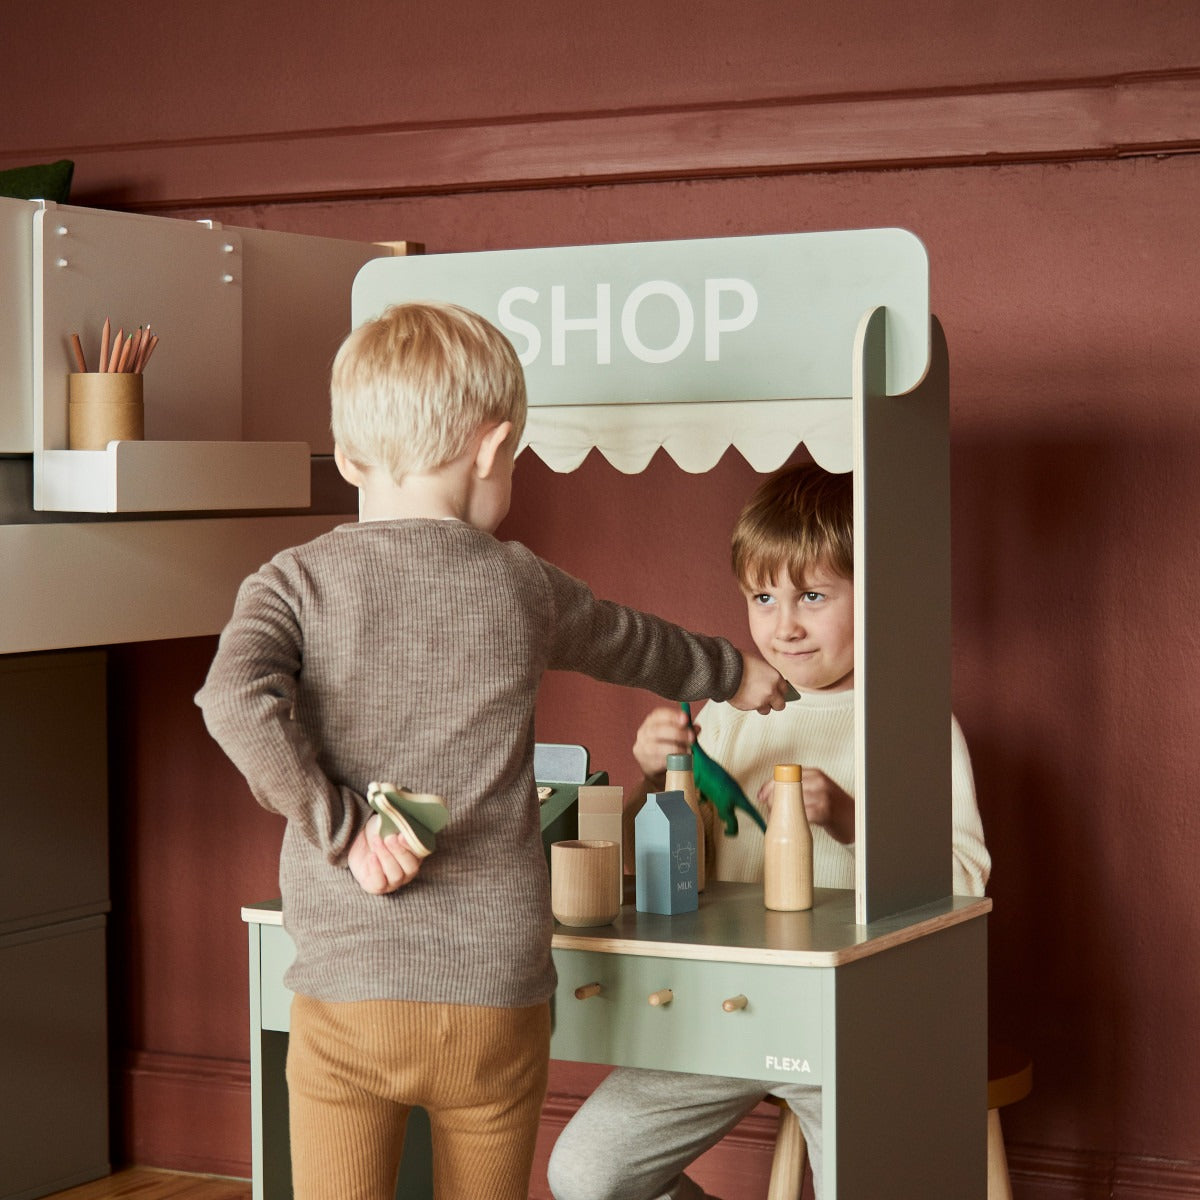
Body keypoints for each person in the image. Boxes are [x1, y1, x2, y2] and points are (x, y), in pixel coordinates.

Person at [195, 301, 787, 1200]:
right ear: (491, 448)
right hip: (495, 993)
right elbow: (637, 643)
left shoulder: (293, 582)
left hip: (349, 989)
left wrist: (345, 830)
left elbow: (233, 699)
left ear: (350, 458)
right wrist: (734, 671)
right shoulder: (522, 585)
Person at [547, 462, 990, 1200]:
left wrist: (851, 821)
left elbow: (965, 883)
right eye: (763, 596)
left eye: (814, 596)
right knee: (586, 1174)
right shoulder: (723, 716)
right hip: (723, 1006)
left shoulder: (915, 726)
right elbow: (644, 864)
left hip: (854, 1022)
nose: (784, 624)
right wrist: (662, 778)